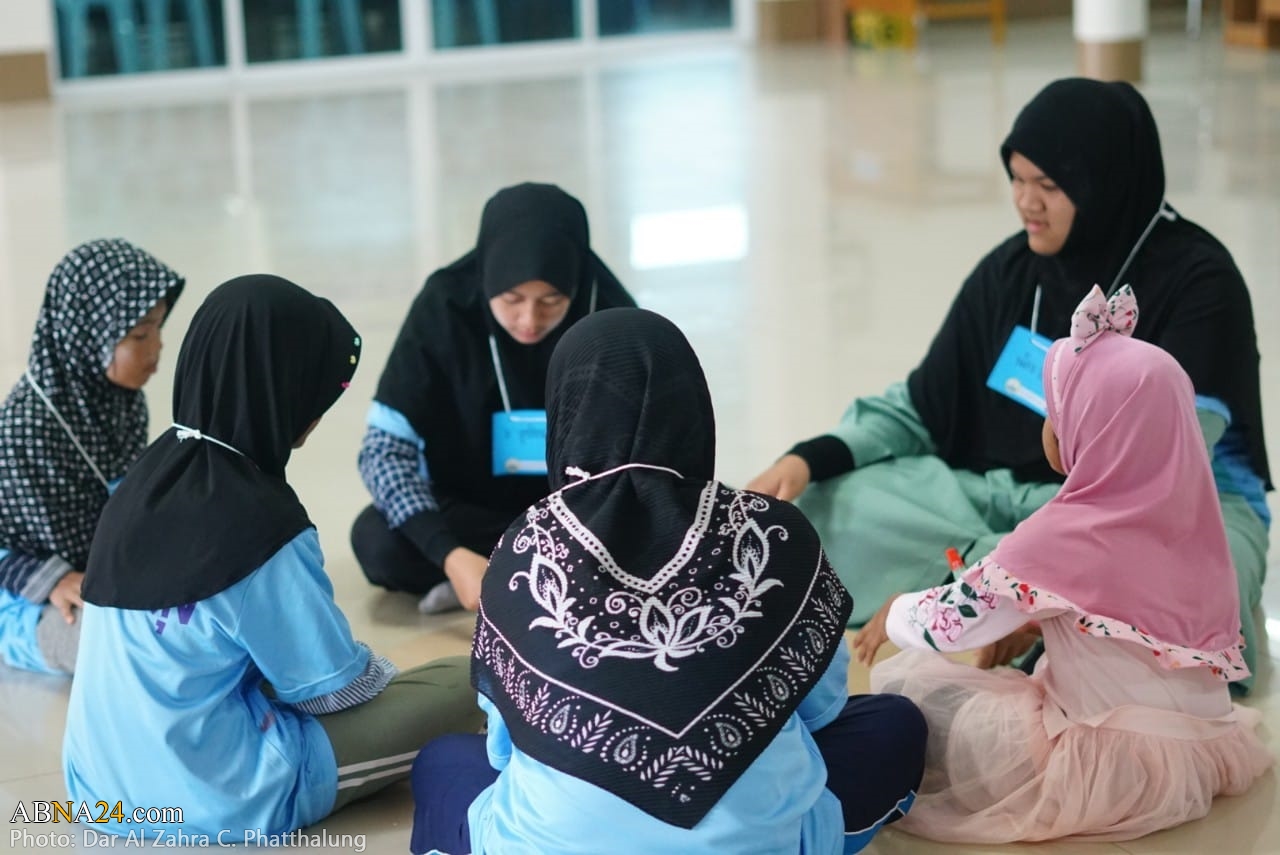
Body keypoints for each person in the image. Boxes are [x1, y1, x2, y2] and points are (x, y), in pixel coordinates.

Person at [746, 78, 1270, 692]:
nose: (1026, 202)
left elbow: (1162, 467)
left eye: (1048, 185)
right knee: (834, 504)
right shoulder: (1011, 270)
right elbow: (920, 407)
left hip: (1156, 512)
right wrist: (808, 459)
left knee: (1197, 584)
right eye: (1017, 179)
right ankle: (1006, 591)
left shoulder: (1199, 280)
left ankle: (991, 590)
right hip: (999, 498)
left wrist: (1043, 560)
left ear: (1103, 183)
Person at [409, 308, 927, 855]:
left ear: (564, 414)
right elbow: (821, 712)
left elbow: (502, 751)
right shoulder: (774, 533)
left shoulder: (524, 549)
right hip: (766, 845)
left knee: (442, 761)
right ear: (692, 411)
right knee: (892, 725)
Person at [63, 275, 483, 841]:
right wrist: (380, 670)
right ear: (282, 390)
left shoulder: (145, 479)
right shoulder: (261, 524)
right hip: (221, 797)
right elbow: (333, 691)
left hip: (98, 790)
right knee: (467, 681)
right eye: (316, 391)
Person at [864, 286, 1272, 842]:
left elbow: (953, 621)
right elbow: (1133, 619)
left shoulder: (1065, 530)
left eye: (1056, 412)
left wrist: (895, 612)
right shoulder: (1195, 528)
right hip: (1202, 751)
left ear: (1090, 427)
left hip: (1100, 769)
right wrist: (1036, 620)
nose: (1049, 426)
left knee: (911, 696)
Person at [351, 182, 636, 614]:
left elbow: (652, 452)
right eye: (511, 299)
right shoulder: (444, 307)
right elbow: (382, 452)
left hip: (579, 513)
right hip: (470, 509)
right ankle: (494, 574)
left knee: (653, 529)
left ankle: (505, 576)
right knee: (377, 541)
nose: (529, 320)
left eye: (552, 300)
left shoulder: (613, 314)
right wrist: (449, 553)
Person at [0, 238, 182, 676]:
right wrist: (50, 579)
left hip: (106, 577)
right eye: (139, 335)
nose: (157, 347)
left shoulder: (123, 403)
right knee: (118, 647)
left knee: (208, 607)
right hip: (27, 602)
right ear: (87, 333)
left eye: (158, 328)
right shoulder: (25, 426)